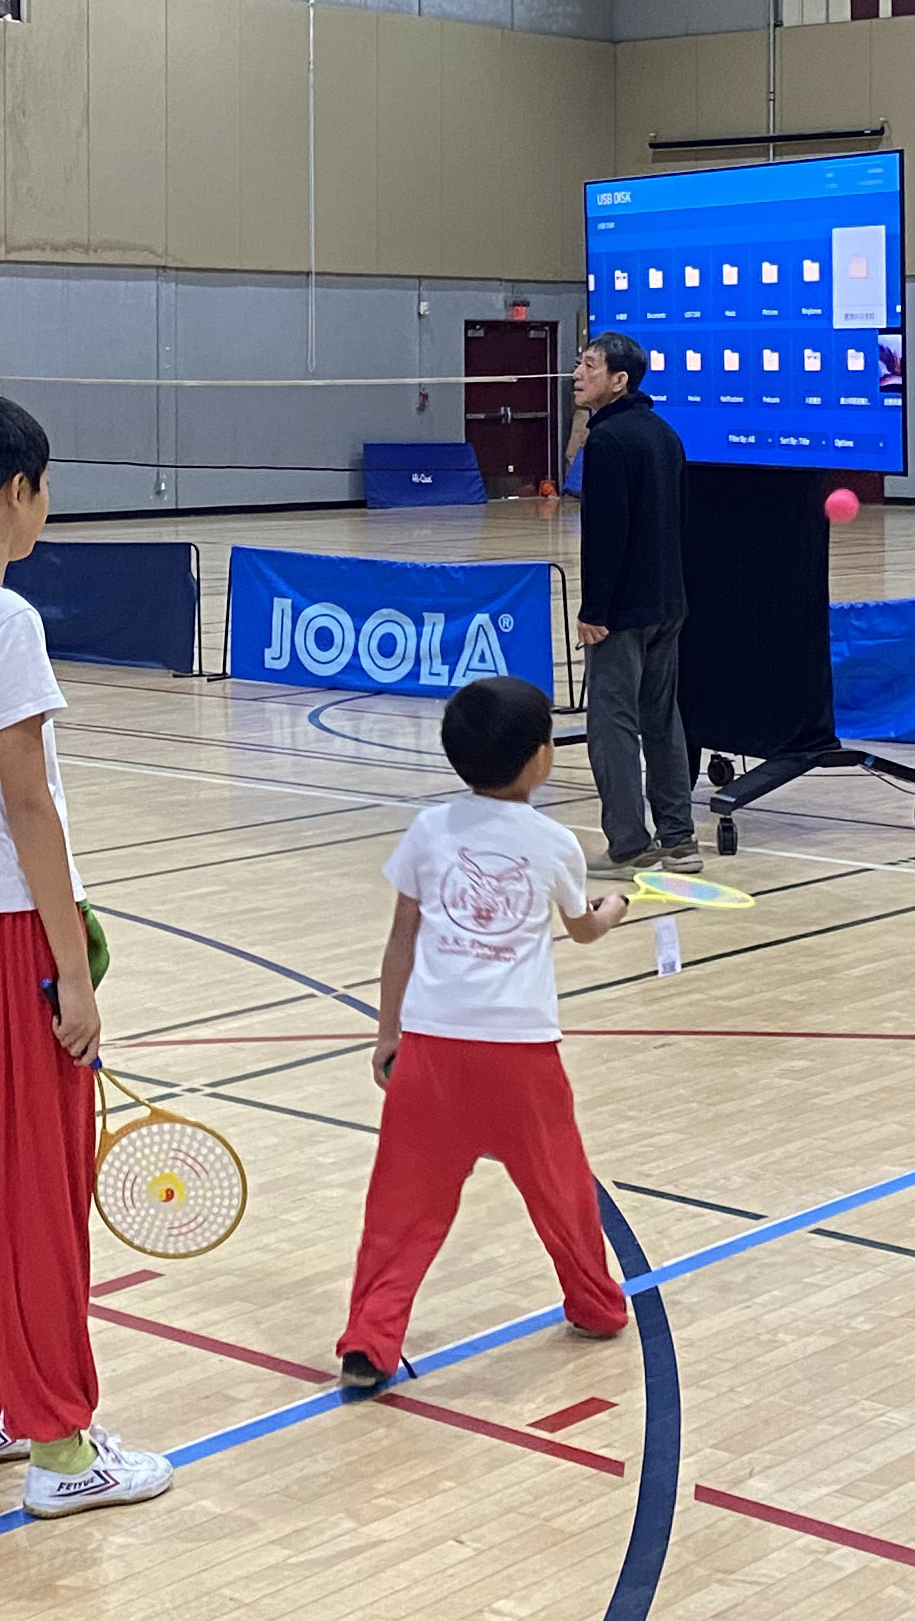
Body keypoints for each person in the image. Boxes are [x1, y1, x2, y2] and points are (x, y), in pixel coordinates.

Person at [0, 392, 172, 1520]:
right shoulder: (4, 621)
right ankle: (61, 1444)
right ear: (19, 492)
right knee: (38, 1185)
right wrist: (74, 967)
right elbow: (25, 801)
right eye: (46, 487)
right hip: (11, 930)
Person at [334, 674, 635, 1390]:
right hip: (521, 1057)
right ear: (540, 758)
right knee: (561, 1189)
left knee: (401, 1206)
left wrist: (387, 1033)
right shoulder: (555, 843)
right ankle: (595, 1305)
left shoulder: (429, 830)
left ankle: (369, 1341)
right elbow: (583, 929)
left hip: (431, 1051)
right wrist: (615, 908)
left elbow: (400, 939)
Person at [570, 333, 700, 879]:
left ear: (619, 380)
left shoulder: (606, 442)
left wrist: (594, 611)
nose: (577, 374)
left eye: (589, 365)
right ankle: (680, 839)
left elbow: (606, 535)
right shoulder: (665, 434)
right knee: (662, 720)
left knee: (613, 725)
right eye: (579, 363)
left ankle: (629, 846)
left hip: (622, 613)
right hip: (668, 603)